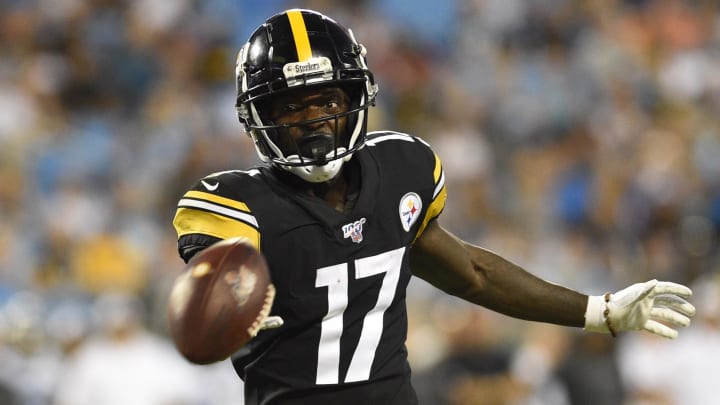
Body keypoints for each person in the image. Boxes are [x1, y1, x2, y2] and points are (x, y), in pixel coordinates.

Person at [171, 9, 696, 405]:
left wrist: (596, 311)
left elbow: (472, 273)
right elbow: (214, 267)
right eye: (291, 107)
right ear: (257, 116)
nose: (314, 121)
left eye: (328, 101)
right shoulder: (237, 204)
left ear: (356, 98)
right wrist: (226, 299)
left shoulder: (401, 169)